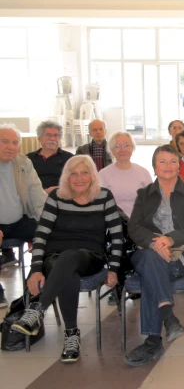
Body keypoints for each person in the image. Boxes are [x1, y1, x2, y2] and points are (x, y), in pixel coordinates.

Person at [11, 155, 123, 363]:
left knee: (70, 256)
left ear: (92, 175)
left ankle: (38, 309)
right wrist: (36, 269)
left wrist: (113, 268)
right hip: (55, 257)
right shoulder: (56, 198)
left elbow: (117, 236)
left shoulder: (104, 197)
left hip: (90, 257)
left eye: (84, 172)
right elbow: (41, 235)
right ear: (66, 176)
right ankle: (72, 335)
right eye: (73, 173)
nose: (79, 178)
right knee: (67, 272)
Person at [124, 145, 184, 367]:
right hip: (149, 253)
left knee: (151, 274)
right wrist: (155, 242)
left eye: (173, 161)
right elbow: (134, 228)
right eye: (162, 161)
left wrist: (170, 239)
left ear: (179, 165)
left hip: (182, 258)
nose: (168, 166)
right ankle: (168, 318)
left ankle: (153, 342)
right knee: (152, 261)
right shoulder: (144, 195)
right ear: (154, 166)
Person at [0, 124, 47, 285]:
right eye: (5, 141)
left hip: (20, 221)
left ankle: (34, 288)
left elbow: (38, 196)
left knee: (49, 237)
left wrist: (47, 223)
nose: (10, 147)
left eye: (14, 143)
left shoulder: (23, 163)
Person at [98, 132, 153, 218]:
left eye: (127, 145)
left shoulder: (143, 172)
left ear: (132, 147)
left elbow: (151, 201)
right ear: (111, 150)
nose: (123, 150)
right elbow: (99, 203)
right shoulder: (103, 174)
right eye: (118, 146)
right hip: (113, 221)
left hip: (140, 221)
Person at [28, 120, 74, 193]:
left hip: (60, 196)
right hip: (33, 197)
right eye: (48, 135)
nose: (52, 138)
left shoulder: (70, 159)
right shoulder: (29, 159)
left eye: (56, 135)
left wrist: (56, 189)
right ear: (39, 138)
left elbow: (76, 182)